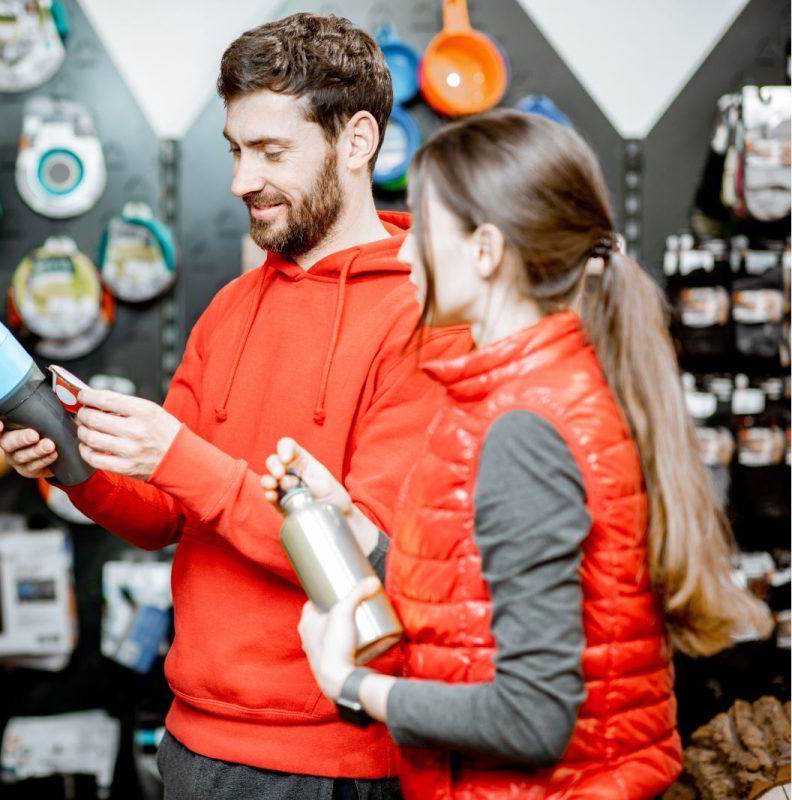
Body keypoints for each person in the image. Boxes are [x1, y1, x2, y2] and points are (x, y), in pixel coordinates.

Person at [0, 13, 469, 800]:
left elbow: (369, 563)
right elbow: (163, 517)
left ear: (356, 143)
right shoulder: (232, 307)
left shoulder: (422, 318)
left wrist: (175, 455)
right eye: (236, 150)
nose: (243, 180)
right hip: (193, 741)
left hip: (329, 761)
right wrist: (76, 464)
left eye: (272, 152)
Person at [263, 109, 774, 799]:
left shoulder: (525, 426)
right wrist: (359, 530)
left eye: (422, 228)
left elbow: (533, 718)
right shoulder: (518, 393)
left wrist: (352, 685)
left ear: (485, 250)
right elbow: (486, 596)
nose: (404, 252)